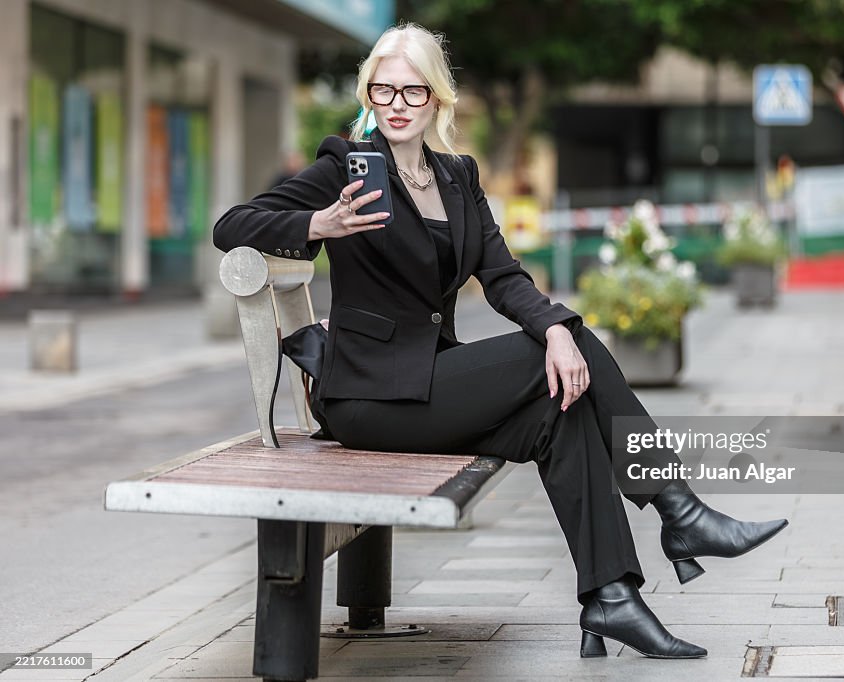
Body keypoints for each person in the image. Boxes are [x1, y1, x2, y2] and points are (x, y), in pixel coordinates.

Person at [212, 22, 788, 660]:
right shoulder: (344, 168)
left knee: (558, 410)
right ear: (367, 95)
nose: (396, 105)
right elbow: (231, 225)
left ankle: (611, 597)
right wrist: (322, 223)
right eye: (383, 91)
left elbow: (504, 276)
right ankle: (678, 509)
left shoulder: (457, 177)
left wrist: (551, 328)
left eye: (412, 92)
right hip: (368, 396)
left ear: (437, 98)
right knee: (564, 346)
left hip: (431, 384)